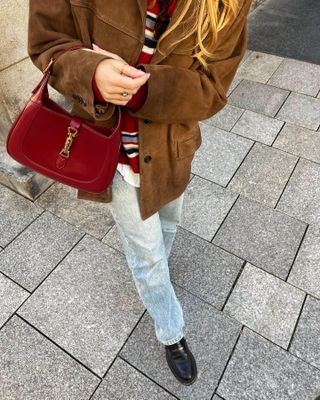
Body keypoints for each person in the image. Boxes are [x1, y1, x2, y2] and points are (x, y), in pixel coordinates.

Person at [28, 0, 252, 385]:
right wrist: (90, 72)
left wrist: (142, 91)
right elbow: (47, 41)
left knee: (167, 226)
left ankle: (155, 279)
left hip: (172, 151)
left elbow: (213, 89)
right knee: (145, 255)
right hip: (109, 150)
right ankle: (171, 332)